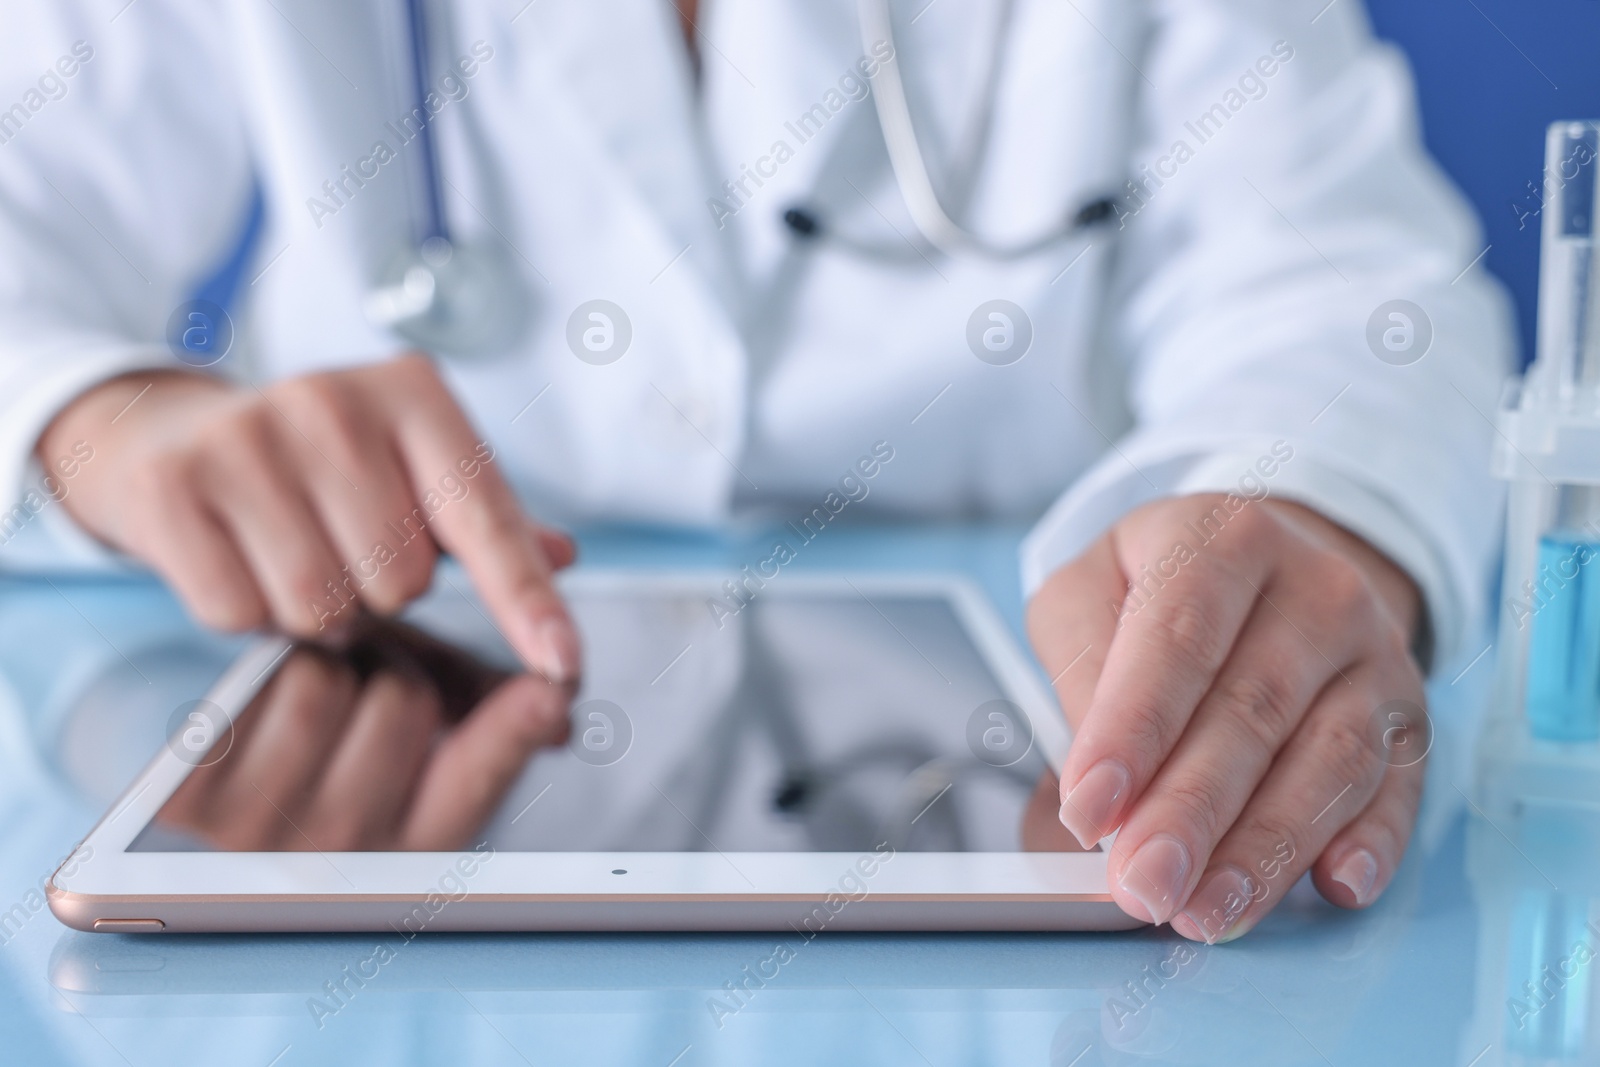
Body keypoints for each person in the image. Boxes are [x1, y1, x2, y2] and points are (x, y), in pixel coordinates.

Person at [0, 0, 1512, 942]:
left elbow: (1349, 292)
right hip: (379, 676)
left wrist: (1309, 511)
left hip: (1049, 752)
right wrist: (99, 416)